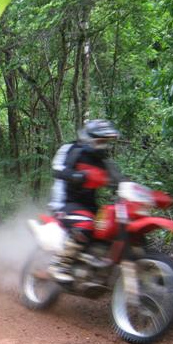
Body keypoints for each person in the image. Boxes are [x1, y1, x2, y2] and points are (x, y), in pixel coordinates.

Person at [48, 119, 124, 283]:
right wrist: (77, 176)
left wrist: (127, 188)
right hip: (65, 201)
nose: (103, 146)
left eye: (106, 142)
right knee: (85, 224)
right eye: (100, 141)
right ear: (89, 138)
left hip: (89, 206)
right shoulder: (71, 149)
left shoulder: (102, 161)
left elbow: (119, 180)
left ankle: (95, 269)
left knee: (109, 227)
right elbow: (57, 169)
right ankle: (61, 265)